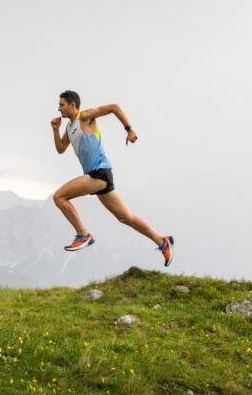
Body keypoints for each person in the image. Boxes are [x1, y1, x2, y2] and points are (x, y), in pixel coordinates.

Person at [50, 89, 174, 266]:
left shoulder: (85, 116)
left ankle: (83, 234)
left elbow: (114, 107)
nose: (58, 109)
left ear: (72, 105)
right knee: (125, 217)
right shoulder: (69, 127)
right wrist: (55, 130)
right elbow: (61, 148)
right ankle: (162, 241)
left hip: (99, 173)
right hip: (99, 176)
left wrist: (129, 130)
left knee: (59, 197)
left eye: (61, 105)